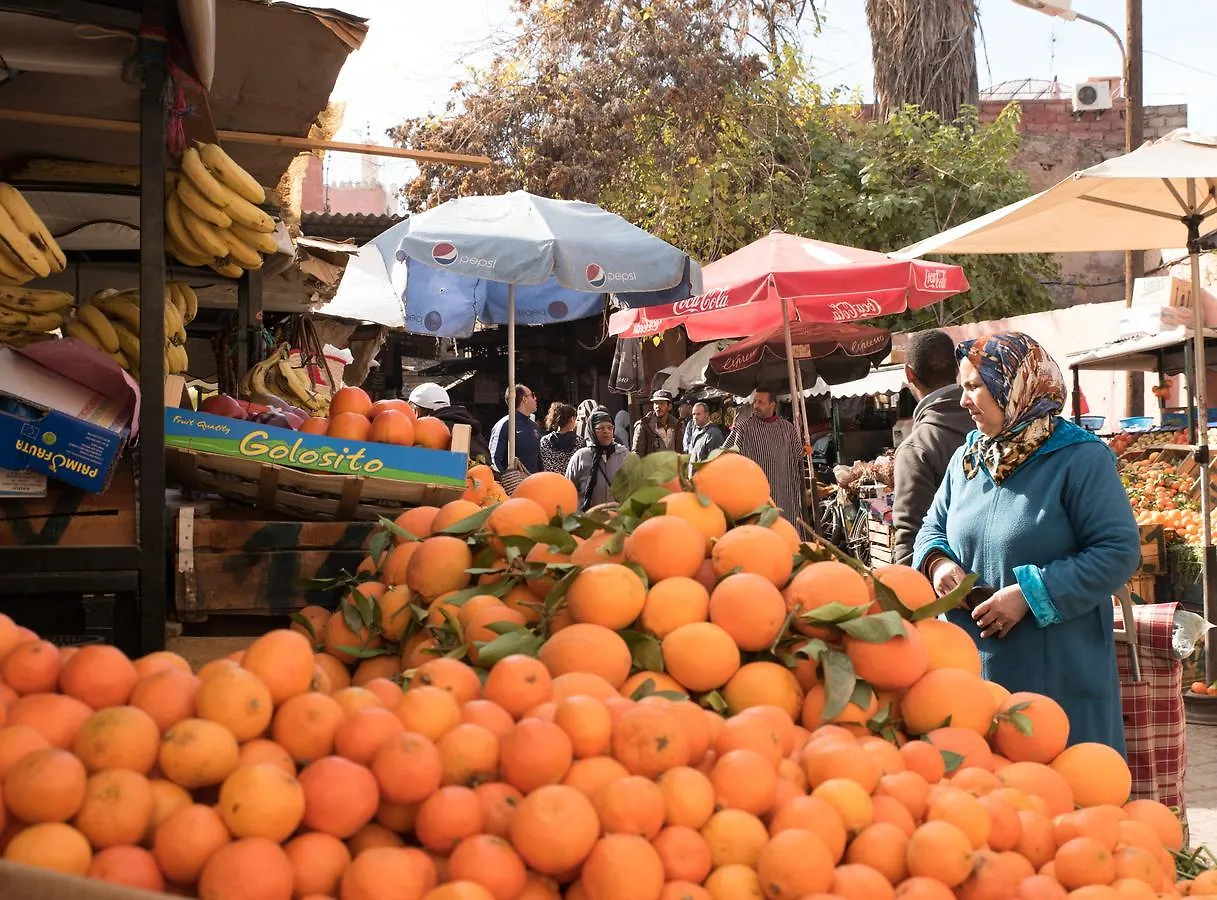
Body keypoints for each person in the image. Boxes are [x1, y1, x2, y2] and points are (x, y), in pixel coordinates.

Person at [913, 332, 1141, 753]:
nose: (964, 401)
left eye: (973, 387)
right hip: (974, 681)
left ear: (1016, 385)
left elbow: (1118, 550)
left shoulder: (1080, 459)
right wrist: (938, 564)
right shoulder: (970, 456)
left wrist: (1031, 594)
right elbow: (931, 527)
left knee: (1064, 798)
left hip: (1057, 679)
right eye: (962, 388)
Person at [891, 330, 975, 566]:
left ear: (909, 374)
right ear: (958, 369)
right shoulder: (992, 426)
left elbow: (910, 540)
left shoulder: (917, 448)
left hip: (950, 589)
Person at [723, 387, 805, 529]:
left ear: (772, 405)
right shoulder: (744, 428)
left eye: (760, 402)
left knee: (785, 533)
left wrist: (806, 449)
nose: (755, 406)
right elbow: (725, 453)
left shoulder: (788, 429)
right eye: (754, 401)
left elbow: (798, 455)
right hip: (755, 497)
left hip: (784, 495)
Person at [406, 381, 491, 464]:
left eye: (412, 410)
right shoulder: (471, 428)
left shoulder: (431, 430)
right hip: (488, 476)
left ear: (417, 411)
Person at [566, 410, 629, 510]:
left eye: (610, 428)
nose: (606, 431)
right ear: (592, 431)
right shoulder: (581, 457)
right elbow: (568, 490)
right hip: (588, 520)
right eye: (601, 428)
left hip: (616, 519)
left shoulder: (623, 455)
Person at [489, 384, 542, 475]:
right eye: (532, 395)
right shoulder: (505, 425)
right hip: (512, 486)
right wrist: (506, 482)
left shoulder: (534, 426)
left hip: (534, 484)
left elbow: (538, 459)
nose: (535, 398)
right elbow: (493, 460)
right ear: (524, 399)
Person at [631, 389, 683, 456]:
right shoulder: (644, 425)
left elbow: (680, 452)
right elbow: (636, 454)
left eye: (661, 403)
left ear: (669, 406)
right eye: (655, 403)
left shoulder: (677, 426)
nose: (658, 406)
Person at [539, 402, 580, 474]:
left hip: (549, 482)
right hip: (569, 484)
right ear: (572, 419)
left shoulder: (544, 441)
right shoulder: (579, 442)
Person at [685, 401, 725, 469]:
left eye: (698, 414)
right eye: (693, 414)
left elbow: (717, 462)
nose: (695, 417)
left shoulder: (714, 434)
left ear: (707, 415)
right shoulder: (695, 432)